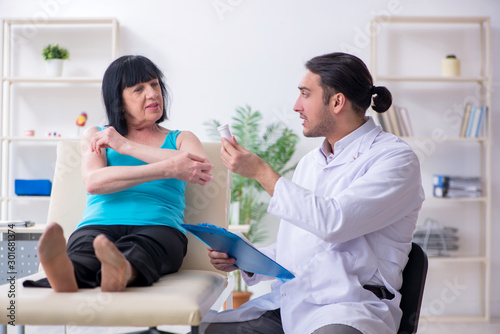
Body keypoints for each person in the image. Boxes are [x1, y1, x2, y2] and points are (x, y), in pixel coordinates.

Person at [205, 52, 425, 334]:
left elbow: (333, 223)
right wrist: (244, 259)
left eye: (305, 94)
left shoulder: (395, 159)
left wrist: (261, 171)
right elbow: (300, 247)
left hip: (348, 310)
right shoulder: (311, 163)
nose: (296, 106)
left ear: (337, 101)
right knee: (206, 329)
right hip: (293, 305)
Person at [29, 55, 214, 293]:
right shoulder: (97, 134)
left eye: (155, 84)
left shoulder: (181, 138)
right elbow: (94, 182)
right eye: (139, 89)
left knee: (140, 250)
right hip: (98, 224)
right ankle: (66, 274)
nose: (152, 94)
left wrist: (125, 146)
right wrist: (168, 167)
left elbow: (199, 167)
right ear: (118, 100)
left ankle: (121, 270)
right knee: (85, 250)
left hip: (159, 226)